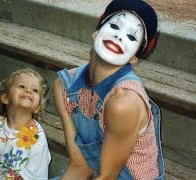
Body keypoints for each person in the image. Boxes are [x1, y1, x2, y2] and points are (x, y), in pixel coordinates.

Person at [52, 0, 165, 179]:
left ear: (135, 57)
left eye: (132, 37)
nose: (119, 36)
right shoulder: (64, 87)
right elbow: (80, 165)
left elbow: (107, 177)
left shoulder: (124, 101)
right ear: (96, 32)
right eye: (114, 25)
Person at [0, 68, 51, 180]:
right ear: (6, 98)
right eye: (22, 86)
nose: (28, 91)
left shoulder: (37, 136)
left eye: (35, 90)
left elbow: (30, 174)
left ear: (38, 108)